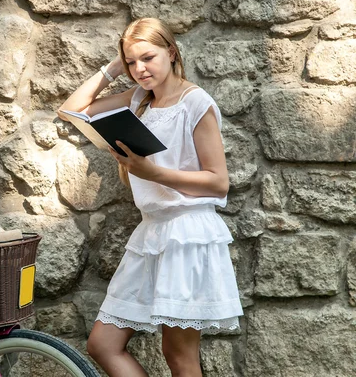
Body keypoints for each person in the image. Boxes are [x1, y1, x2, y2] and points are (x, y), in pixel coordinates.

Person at [57, 18, 243, 377]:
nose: (140, 69)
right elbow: (71, 111)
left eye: (148, 57)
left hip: (187, 235)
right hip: (152, 234)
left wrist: (153, 173)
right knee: (103, 344)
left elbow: (219, 182)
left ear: (171, 53)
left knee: (178, 356)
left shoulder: (195, 103)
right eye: (131, 62)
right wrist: (114, 66)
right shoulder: (140, 98)